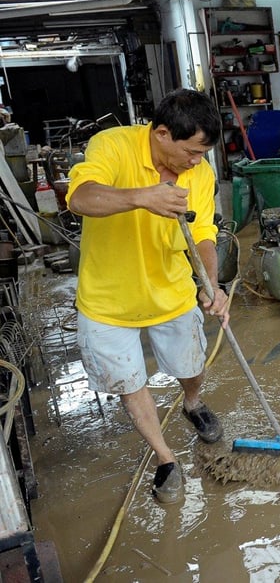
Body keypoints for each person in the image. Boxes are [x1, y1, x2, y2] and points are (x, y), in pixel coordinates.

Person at [67, 88, 230, 504]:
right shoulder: (112, 145)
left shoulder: (201, 174)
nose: (196, 161)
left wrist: (210, 284)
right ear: (161, 134)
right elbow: (80, 198)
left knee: (191, 365)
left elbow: (204, 235)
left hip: (171, 292)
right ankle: (164, 458)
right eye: (192, 151)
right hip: (108, 301)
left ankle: (193, 403)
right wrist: (143, 197)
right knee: (129, 380)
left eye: (202, 153)